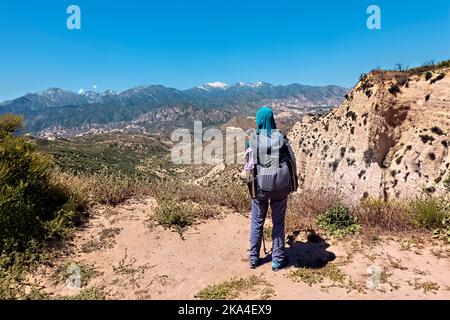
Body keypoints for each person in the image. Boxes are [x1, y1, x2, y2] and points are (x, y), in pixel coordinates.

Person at [245, 106, 298, 272]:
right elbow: (292, 161)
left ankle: (254, 258)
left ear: (259, 121)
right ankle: (277, 260)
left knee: (257, 221)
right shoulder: (281, 139)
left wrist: (251, 186)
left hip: (262, 187)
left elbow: (248, 167)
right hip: (281, 186)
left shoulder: (252, 141)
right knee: (278, 222)